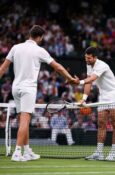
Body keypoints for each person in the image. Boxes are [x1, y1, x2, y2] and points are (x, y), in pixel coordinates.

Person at [0, 25, 79, 162]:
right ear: (40, 37)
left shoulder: (15, 47)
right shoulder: (39, 50)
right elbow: (58, 67)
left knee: (23, 121)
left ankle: (27, 150)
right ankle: (17, 153)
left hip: (15, 88)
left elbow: (2, 69)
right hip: (28, 89)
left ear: (30, 34)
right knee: (24, 122)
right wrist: (70, 79)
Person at [79, 46, 115, 161]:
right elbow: (88, 83)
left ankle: (113, 154)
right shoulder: (89, 65)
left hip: (114, 95)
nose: (87, 60)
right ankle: (99, 153)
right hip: (103, 96)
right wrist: (84, 99)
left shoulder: (102, 65)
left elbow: (92, 79)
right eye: (86, 58)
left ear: (95, 57)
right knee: (101, 124)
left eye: (89, 58)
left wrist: (79, 81)